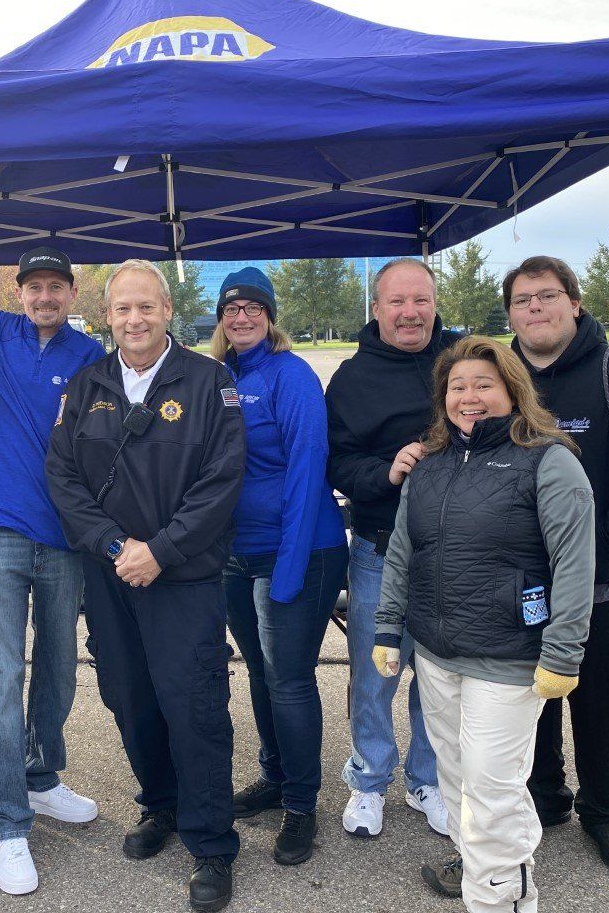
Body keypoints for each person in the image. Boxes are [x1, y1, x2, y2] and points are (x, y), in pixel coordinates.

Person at [46, 259, 246, 913]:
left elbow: (221, 483)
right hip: (111, 578)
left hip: (182, 576)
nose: (135, 320)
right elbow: (65, 480)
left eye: (147, 307)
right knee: (129, 696)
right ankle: (161, 805)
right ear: (109, 316)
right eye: (124, 309)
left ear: (167, 310)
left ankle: (212, 842)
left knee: (193, 704)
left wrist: (160, 551)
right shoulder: (86, 385)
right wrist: (113, 547)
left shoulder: (211, 381)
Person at [375, 335, 595, 913]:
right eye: (457, 386)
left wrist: (563, 655)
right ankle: (483, 880)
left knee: (493, 793)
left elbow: (575, 564)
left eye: (483, 385)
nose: (468, 397)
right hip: (438, 657)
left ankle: (500, 900)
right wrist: (386, 626)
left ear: (512, 391)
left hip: (509, 660)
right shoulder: (431, 464)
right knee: (456, 782)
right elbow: (403, 550)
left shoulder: (550, 461)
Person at [505, 256, 609, 871]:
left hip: (607, 581)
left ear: (574, 303)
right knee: (533, 699)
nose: (535, 309)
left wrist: (598, 558)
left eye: (546, 296)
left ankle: (608, 815)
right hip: (529, 580)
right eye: (522, 301)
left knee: (604, 703)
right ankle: (544, 797)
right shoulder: (504, 377)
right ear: (511, 315)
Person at [0, 247, 105, 895]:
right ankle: (7, 822)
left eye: (55, 287)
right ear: (18, 292)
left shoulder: (89, 358)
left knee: (56, 669)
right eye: (34, 287)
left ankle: (41, 777)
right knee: (0, 676)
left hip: (64, 540)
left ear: (71, 294)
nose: (44, 296)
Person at [209, 267, 347, 866]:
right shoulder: (221, 376)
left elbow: (306, 472)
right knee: (262, 675)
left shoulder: (290, 375)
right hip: (236, 557)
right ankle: (272, 777)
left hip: (299, 552)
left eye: (253, 308)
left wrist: (288, 569)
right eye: (231, 308)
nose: (241, 317)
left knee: (289, 679)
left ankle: (300, 804)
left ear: (270, 316)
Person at [324, 258, 454, 839]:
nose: (410, 313)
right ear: (376, 309)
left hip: (455, 553)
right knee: (376, 674)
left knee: (439, 676)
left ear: (433, 303)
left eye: (420, 301)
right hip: (380, 547)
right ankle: (370, 777)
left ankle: (428, 778)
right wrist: (388, 471)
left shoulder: (465, 361)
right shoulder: (352, 378)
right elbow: (338, 463)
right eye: (397, 302)